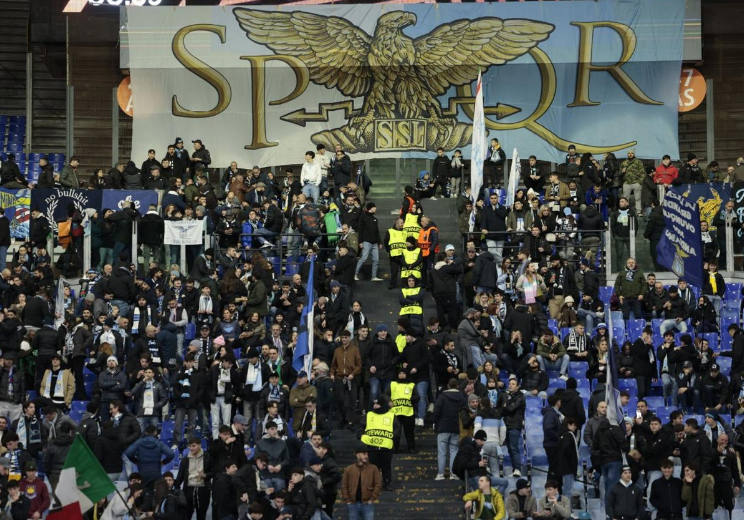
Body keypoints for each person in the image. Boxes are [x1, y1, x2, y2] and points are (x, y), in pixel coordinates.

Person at [433, 378, 465, 480]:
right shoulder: (461, 397)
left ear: (448, 385)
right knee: (454, 451)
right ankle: (453, 474)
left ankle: (441, 474)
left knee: (442, 452)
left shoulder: (442, 396)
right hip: (455, 427)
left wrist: (435, 422)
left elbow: (436, 411)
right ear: (457, 386)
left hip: (443, 427)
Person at [361, 394, 395, 491]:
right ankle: (373, 485)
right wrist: (361, 435)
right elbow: (360, 426)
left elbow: (396, 428)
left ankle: (387, 484)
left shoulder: (391, 415)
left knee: (386, 468)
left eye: (377, 404)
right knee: (372, 468)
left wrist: (393, 437)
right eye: (374, 404)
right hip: (372, 447)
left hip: (386, 447)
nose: (375, 406)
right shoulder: (369, 414)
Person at [341, 445, 382, 520]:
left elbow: (378, 485)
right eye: (364, 454)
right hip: (353, 504)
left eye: (367, 454)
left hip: (367, 503)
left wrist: (372, 499)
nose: (366, 456)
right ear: (357, 455)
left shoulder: (373, 468)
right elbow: (344, 485)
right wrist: (347, 500)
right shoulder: (349, 469)